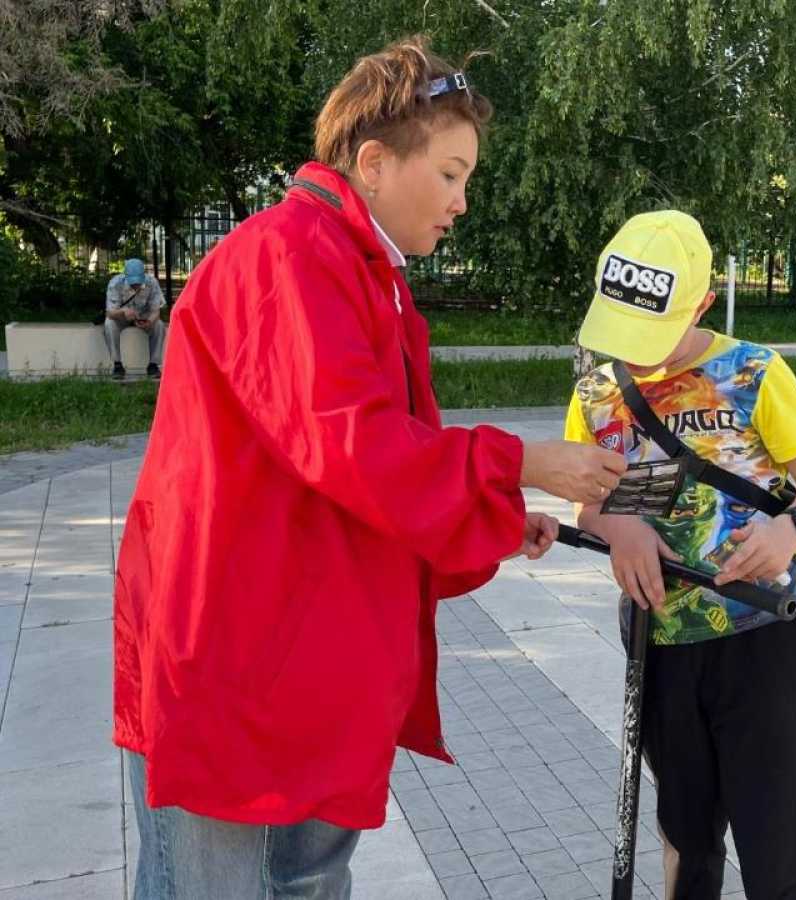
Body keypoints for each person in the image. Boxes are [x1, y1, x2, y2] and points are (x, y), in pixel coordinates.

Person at [113, 36, 626, 898]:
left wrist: (495, 505)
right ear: (376, 161)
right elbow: (352, 444)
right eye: (452, 174)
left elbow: (369, 463)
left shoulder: (360, 268)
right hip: (227, 651)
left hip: (306, 647)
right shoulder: (285, 258)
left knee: (307, 879)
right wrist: (522, 463)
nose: (462, 202)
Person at [564, 211, 796, 899]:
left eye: (652, 333)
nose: (635, 352)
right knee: (688, 838)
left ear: (701, 305)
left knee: (776, 850)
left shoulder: (753, 371)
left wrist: (789, 531)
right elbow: (588, 500)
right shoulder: (598, 390)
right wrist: (619, 528)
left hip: (762, 638)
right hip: (659, 644)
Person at [104, 257, 166, 379]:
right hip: (121, 316)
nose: (136, 285)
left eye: (138, 282)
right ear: (125, 276)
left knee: (159, 325)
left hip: (144, 316)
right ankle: (117, 365)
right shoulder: (115, 283)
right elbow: (110, 313)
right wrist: (123, 311)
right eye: (133, 282)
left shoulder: (152, 282)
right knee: (109, 324)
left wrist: (149, 321)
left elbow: (156, 311)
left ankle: (153, 365)